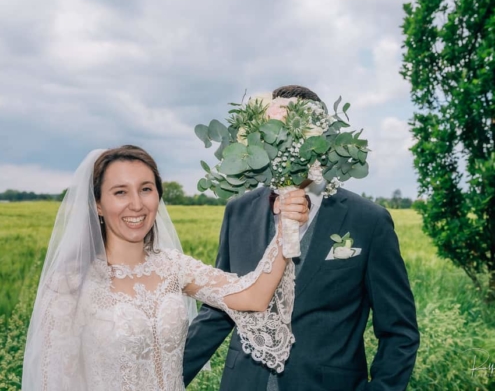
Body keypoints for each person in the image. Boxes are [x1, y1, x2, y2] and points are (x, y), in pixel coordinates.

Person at [183, 86, 420, 391]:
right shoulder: (238, 211)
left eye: (293, 134)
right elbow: (217, 312)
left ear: (324, 140)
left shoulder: (369, 220)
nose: (283, 143)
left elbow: (399, 331)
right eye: (271, 134)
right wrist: (160, 380)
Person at [22, 145, 309, 391]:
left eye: (146, 189)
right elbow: (54, 380)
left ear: (158, 195)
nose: (136, 204)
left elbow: (252, 297)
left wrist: (285, 231)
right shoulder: (70, 283)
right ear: (98, 204)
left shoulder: (173, 266)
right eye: (120, 192)